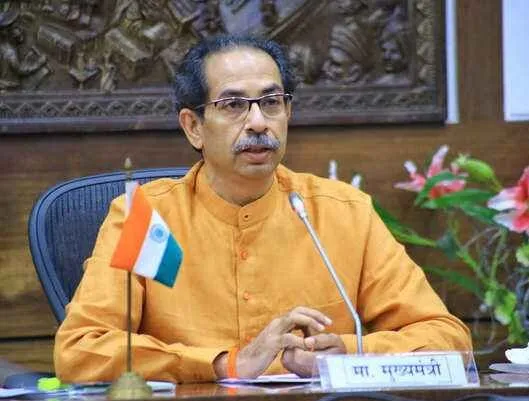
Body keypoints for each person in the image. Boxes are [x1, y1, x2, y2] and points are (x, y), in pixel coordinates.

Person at [54, 34, 472, 383]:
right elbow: (80, 351)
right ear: (194, 127)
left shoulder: (344, 212)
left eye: (271, 102)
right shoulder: (146, 217)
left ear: (288, 112)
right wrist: (225, 364)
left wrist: (349, 353)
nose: (258, 122)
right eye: (233, 105)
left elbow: (449, 339)